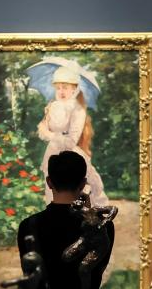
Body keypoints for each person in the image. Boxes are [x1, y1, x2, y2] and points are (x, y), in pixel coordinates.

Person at [17, 151, 114, 289]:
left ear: (49, 182)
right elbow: (97, 270)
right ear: (83, 184)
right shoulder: (104, 225)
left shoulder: (28, 226)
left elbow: (30, 274)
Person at [37, 66, 109, 206]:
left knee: (85, 186)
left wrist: (50, 134)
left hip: (70, 154)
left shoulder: (78, 109)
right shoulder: (52, 106)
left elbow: (70, 142)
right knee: (52, 189)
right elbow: (43, 132)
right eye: (58, 88)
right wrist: (43, 125)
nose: (61, 91)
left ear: (74, 89)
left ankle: (90, 212)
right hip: (52, 152)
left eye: (65, 87)